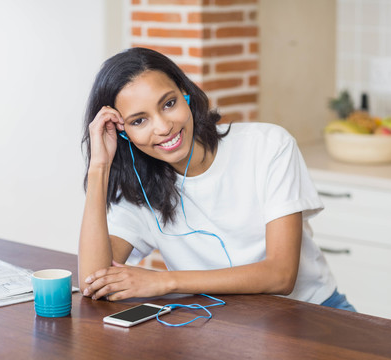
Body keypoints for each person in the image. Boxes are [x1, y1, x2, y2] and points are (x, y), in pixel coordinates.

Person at [79, 47, 355, 311]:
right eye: (139, 121)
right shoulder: (139, 187)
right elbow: (93, 282)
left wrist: (164, 281)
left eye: (169, 104)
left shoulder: (268, 145)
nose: (163, 127)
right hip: (221, 326)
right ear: (122, 132)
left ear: (185, 93)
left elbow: (280, 275)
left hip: (313, 314)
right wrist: (99, 167)